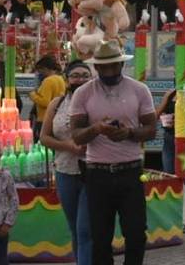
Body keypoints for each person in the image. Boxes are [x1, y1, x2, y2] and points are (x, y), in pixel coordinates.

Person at [70, 41, 157, 265]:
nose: (108, 72)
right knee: (100, 237)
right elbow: (77, 135)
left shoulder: (139, 90)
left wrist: (128, 133)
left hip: (130, 170)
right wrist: (96, 129)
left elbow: (150, 129)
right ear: (96, 68)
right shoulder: (83, 93)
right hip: (97, 173)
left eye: (113, 66)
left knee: (136, 233)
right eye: (103, 68)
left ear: (121, 64)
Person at [39, 59, 92, 265]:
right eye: (75, 75)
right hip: (64, 171)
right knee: (74, 228)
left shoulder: (97, 102)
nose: (80, 79)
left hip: (93, 172)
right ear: (67, 79)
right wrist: (69, 146)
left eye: (85, 75)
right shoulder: (57, 104)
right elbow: (44, 137)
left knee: (85, 229)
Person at [29, 56, 66, 142]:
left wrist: (33, 95)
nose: (39, 72)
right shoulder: (60, 79)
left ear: (45, 68)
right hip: (56, 116)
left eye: (39, 70)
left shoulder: (48, 81)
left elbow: (45, 102)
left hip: (44, 118)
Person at [156, 87, 178, 174]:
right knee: (168, 173)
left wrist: (181, 120)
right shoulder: (170, 93)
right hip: (169, 138)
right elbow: (157, 114)